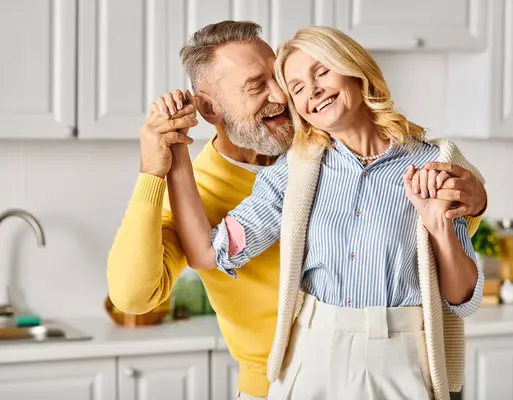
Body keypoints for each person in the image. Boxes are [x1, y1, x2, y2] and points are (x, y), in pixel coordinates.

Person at [106, 21, 487, 400]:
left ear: (356, 70)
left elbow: (446, 267)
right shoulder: (274, 175)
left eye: (284, 79)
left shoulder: (416, 161)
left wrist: (464, 205)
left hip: (398, 354)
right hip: (295, 367)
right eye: (262, 86)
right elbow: (157, 283)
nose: (285, 95)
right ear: (209, 108)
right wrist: (167, 158)